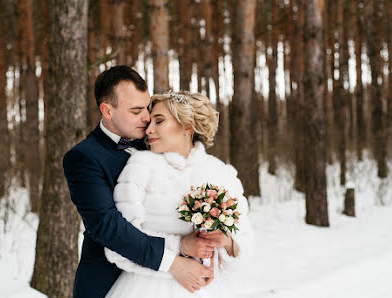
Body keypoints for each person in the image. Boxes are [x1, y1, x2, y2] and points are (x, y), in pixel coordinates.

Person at [63, 66, 221, 298]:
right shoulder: (84, 158)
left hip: (181, 284)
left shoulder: (155, 139)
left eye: (147, 108)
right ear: (107, 111)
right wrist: (176, 256)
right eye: (136, 111)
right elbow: (108, 227)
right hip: (110, 280)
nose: (147, 118)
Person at [104, 91, 254, 298]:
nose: (148, 130)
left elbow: (245, 249)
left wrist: (226, 242)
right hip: (147, 289)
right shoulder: (140, 167)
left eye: (159, 121)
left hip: (206, 290)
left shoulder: (222, 173)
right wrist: (179, 252)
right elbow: (118, 244)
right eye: (149, 122)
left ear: (187, 126)